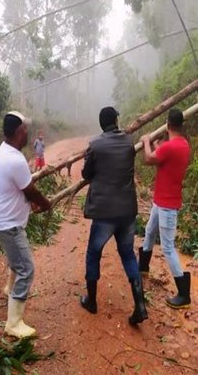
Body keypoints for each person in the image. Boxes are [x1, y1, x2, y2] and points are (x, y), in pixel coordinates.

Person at [79, 107, 148, 325]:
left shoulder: (95, 145)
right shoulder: (129, 143)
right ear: (116, 121)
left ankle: (91, 301)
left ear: (101, 124)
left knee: (93, 253)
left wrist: (88, 158)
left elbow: (86, 175)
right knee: (127, 254)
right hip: (127, 210)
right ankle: (140, 304)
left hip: (105, 213)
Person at [0, 111, 51, 338]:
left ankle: (9, 289)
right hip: (8, 223)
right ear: (17, 132)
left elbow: (20, 189)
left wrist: (30, 204)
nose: (28, 132)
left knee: (17, 260)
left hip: (2, 219)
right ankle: (13, 323)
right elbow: (30, 190)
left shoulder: (5, 150)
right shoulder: (15, 159)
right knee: (27, 268)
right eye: (25, 129)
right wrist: (46, 204)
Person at [139, 108, 191, 309]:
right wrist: (152, 145)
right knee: (149, 231)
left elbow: (149, 159)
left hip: (167, 205)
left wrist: (145, 141)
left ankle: (184, 294)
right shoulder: (182, 144)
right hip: (161, 201)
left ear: (168, 124)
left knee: (168, 247)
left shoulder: (170, 147)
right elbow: (160, 155)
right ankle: (143, 266)